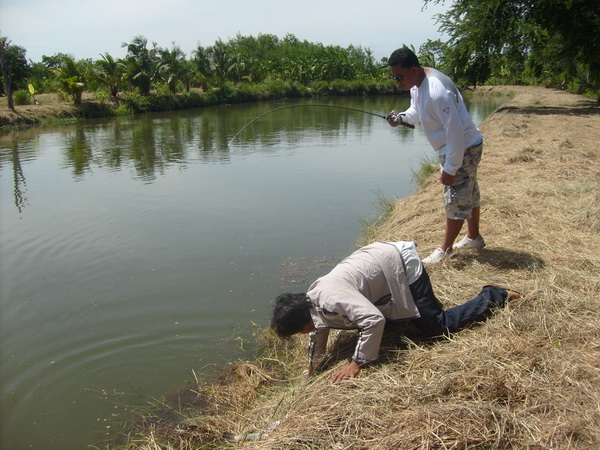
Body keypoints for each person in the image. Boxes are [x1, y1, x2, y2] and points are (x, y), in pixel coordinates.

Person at [271, 241, 520, 382]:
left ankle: (495, 295)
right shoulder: (313, 304)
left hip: (401, 265)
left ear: (303, 322)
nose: (303, 334)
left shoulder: (330, 298)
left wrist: (356, 363)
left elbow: (373, 319)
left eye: (298, 332)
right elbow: (320, 333)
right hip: (380, 267)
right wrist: (312, 367)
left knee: (437, 328)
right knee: (383, 322)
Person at [386, 47, 485, 264]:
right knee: (469, 193)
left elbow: (455, 132)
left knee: (456, 200)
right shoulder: (417, 84)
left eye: (399, 76)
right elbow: (416, 113)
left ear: (413, 69)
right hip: (461, 147)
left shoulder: (437, 90)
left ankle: (444, 250)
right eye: (394, 77)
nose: (397, 82)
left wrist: (450, 169)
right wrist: (400, 118)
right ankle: (473, 237)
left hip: (462, 148)